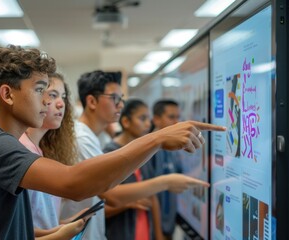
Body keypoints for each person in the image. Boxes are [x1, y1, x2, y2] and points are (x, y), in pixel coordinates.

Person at [0, 46, 225, 239]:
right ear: (8, 94)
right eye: (40, 90)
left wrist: (42, 233)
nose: (48, 101)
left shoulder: (4, 142)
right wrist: (157, 138)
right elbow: (74, 183)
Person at [60, 70, 220, 240]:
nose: (121, 105)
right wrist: (166, 181)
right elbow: (111, 195)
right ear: (92, 101)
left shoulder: (92, 138)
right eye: (115, 98)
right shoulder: (82, 139)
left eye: (121, 99)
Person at [19, 72, 82, 236]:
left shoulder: (40, 150)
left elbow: (40, 218)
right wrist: (56, 233)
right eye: (53, 95)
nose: (61, 104)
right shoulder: (21, 148)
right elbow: (17, 226)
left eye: (63, 96)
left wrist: (64, 225)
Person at [103, 98, 163, 240]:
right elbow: (100, 208)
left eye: (149, 118)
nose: (148, 124)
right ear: (125, 122)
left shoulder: (144, 152)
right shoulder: (109, 154)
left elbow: (152, 197)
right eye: (142, 118)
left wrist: (159, 236)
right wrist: (129, 202)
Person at [151, 99, 183, 239]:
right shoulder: (148, 150)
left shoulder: (173, 147)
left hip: (169, 225)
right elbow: (149, 195)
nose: (176, 122)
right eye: (171, 117)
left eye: (178, 117)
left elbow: (179, 179)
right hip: (154, 229)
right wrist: (158, 234)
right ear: (156, 119)